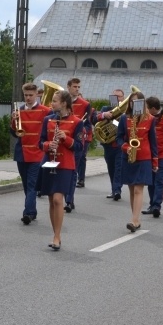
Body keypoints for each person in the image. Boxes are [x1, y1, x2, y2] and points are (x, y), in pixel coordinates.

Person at [39, 90, 84, 251]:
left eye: (55, 101)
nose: (52, 103)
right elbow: (41, 141)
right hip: (49, 162)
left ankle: (57, 236)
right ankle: (55, 233)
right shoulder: (47, 120)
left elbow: (79, 146)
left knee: (58, 199)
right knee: (51, 200)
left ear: (64, 103)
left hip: (65, 164)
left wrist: (66, 138)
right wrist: (47, 145)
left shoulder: (77, 122)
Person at [117, 91, 158, 232]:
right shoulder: (124, 118)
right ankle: (136, 219)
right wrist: (126, 147)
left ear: (143, 103)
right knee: (131, 189)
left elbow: (153, 142)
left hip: (144, 157)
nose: (134, 104)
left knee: (138, 189)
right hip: (128, 156)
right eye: (131, 102)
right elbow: (119, 138)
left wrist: (155, 161)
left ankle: (134, 220)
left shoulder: (150, 119)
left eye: (137, 102)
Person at [11, 83, 51, 225]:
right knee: (26, 185)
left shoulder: (45, 111)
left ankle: (28, 213)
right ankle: (32, 211)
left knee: (32, 184)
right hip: (21, 152)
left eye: (31, 95)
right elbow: (15, 133)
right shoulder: (19, 110)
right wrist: (13, 121)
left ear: (36, 95)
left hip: (37, 153)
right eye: (26, 95)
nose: (28, 98)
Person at [93, 88, 124, 201]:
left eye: (119, 96)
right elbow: (94, 120)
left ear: (123, 98)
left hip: (120, 145)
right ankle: (114, 189)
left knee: (118, 168)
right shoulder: (105, 109)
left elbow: (124, 126)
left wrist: (115, 122)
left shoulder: (125, 111)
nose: (116, 98)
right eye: (114, 96)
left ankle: (117, 190)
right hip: (108, 145)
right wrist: (103, 115)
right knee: (111, 168)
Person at [66, 77, 92, 211]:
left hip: (78, 141)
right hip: (64, 141)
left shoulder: (85, 104)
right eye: (75, 86)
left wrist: (82, 132)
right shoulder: (63, 102)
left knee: (73, 170)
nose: (77, 89)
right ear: (68, 87)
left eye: (78, 87)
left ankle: (69, 200)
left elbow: (88, 124)